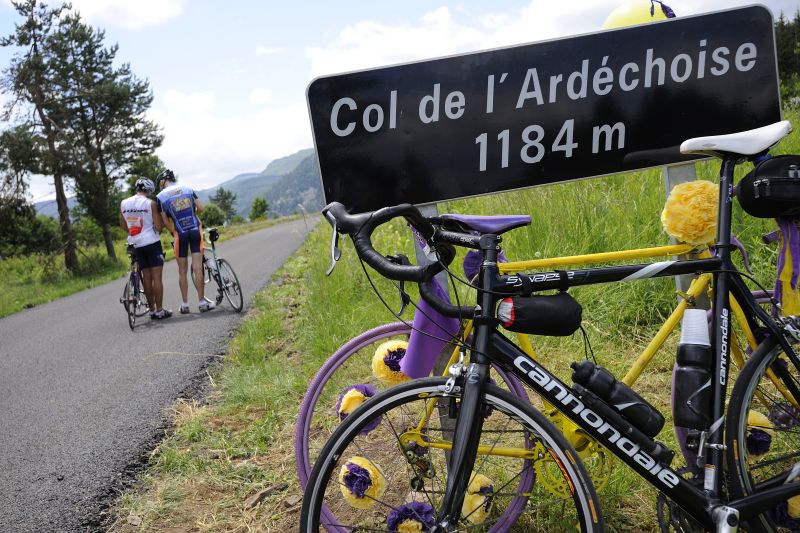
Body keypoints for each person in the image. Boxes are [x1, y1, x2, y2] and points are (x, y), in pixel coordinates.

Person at [155, 168, 215, 314]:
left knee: (182, 271)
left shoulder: (161, 196)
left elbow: (164, 221)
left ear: (163, 181)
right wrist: (191, 215)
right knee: (198, 268)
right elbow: (201, 208)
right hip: (195, 229)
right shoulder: (188, 188)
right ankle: (201, 302)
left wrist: (173, 231)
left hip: (179, 234)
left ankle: (185, 305)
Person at [119, 178, 171, 320]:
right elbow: (159, 227)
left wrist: (134, 231)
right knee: (157, 278)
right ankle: (160, 310)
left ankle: (152, 310)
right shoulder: (150, 203)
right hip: (151, 243)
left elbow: (123, 225)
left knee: (146, 278)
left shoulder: (124, 203)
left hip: (135, 243)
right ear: (148, 190)